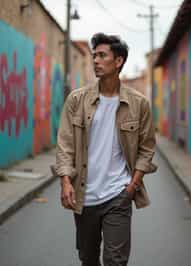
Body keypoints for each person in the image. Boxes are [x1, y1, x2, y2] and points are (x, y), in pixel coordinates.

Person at [55, 33, 157, 266]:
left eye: (102, 55)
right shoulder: (77, 100)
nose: (96, 61)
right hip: (84, 196)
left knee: (115, 261)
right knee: (88, 258)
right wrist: (65, 181)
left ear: (118, 61)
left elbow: (147, 147)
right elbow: (65, 144)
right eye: (94, 56)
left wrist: (133, 185)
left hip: (118, 195)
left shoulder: (138, 103)